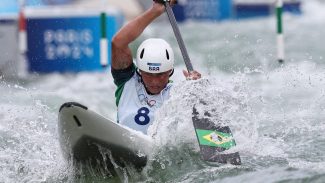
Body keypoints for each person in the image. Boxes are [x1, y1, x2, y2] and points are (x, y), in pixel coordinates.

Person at [111, 0, 201, 134]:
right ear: (140, 71)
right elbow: (118, 43)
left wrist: (198, 90)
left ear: (170, 71)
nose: (155, 82)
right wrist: (155, 11)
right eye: (148, 74)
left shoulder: (178, 95)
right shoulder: (127, 81)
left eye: (160, 74)